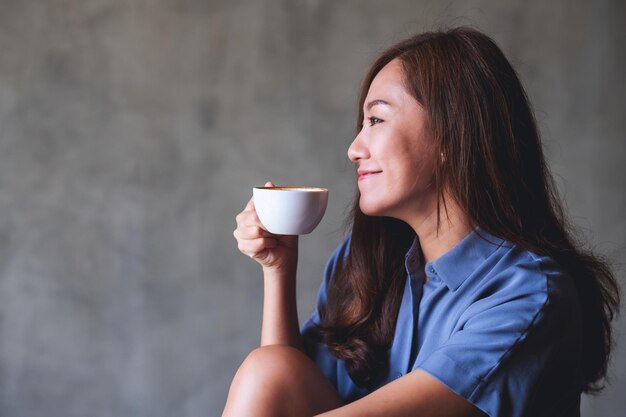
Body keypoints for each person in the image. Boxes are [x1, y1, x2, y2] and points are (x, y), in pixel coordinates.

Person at [223, 27, 620, 417]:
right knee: (268, 369)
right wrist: (278, 270)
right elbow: (281, 392)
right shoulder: (367, 263)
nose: (353, 149)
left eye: (376, 121)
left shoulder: (528, 295)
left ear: (451, 134)